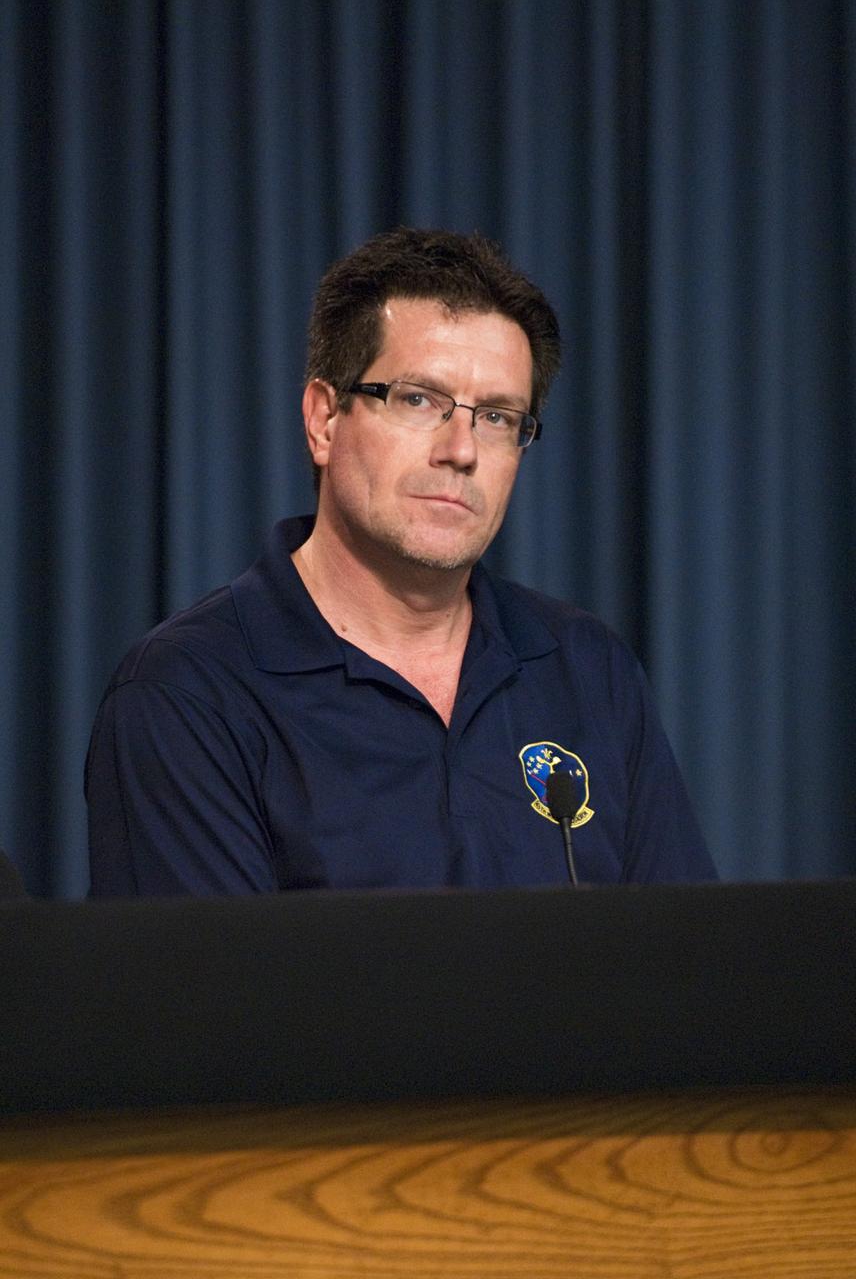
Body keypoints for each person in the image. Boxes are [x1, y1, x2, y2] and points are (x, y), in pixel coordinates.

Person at [86, 227, 717, 895]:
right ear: (324, 420)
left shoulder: (588, 670)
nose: (462, 450)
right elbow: (210, 968)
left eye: (497, 417)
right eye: (419, 400)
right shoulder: (187, 694)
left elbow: (685, 951)